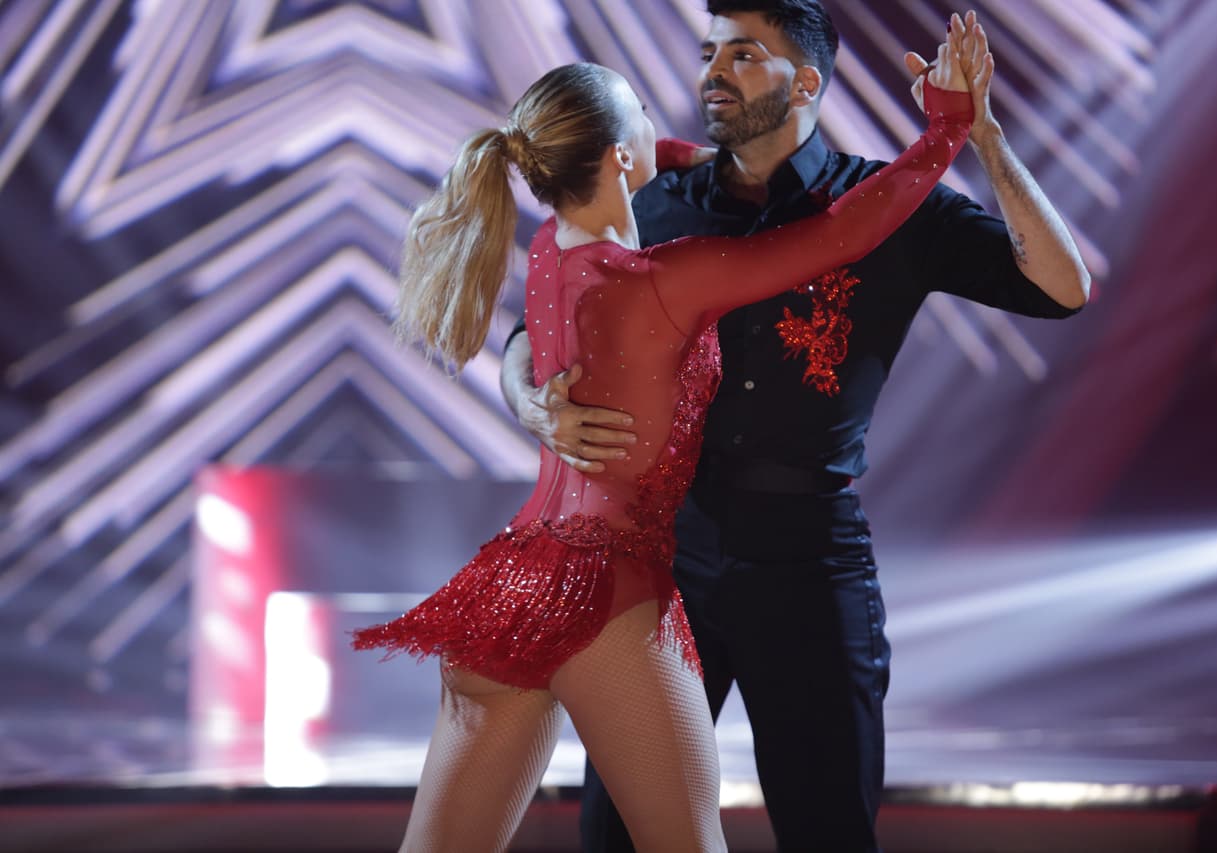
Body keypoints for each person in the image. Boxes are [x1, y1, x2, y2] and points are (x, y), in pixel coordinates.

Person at [355, 35, 975, 853]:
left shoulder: (548, 252)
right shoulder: (667, 277)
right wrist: (948, 129)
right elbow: (838, 236)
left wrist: (702, 144)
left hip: (513, 583)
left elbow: (657, 156)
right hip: (605, 602)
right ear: (616, 155)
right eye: (641, 113)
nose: (664, 123)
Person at [500, 5, 1091, 853]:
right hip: (663, 559)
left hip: (811, 559)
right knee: (620, 832)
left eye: (744, 54)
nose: (714, 71)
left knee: (829, 829)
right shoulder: (658, 200)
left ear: (806, 82)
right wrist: (527, 398)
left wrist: (985, 136)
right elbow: (540, 322)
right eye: (709, 53)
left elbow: (1062, 288)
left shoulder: (888, 205)